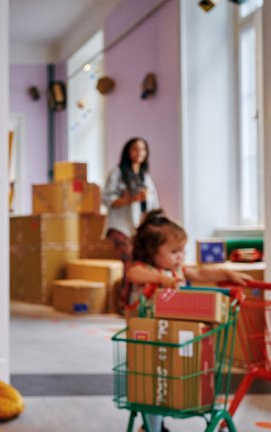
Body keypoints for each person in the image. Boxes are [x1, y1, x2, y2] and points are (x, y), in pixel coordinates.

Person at [124, 209, 250, 432]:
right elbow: (134, 274)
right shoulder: (147, 270)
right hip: (149, 340)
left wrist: (227, 273)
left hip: (174, 338)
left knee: (171, 382)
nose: (180, 256)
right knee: (152, 384)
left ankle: (153, 424)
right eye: (174, 251)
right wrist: (160, 278)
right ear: (152, 252)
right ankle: (151, 426)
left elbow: (200, 274)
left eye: (182, 251)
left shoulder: (178, 270)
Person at [103, 137, 160, 265]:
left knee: (143, 261)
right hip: (120, 227)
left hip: (139, 228)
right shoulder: (117, 173)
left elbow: (154, 204)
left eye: (143, 149)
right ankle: (126, 285)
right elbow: (107, 200)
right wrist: (130, 199)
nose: (139, 152)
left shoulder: (146, 177)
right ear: (127, 152)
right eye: (135, 149)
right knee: (129, 260)